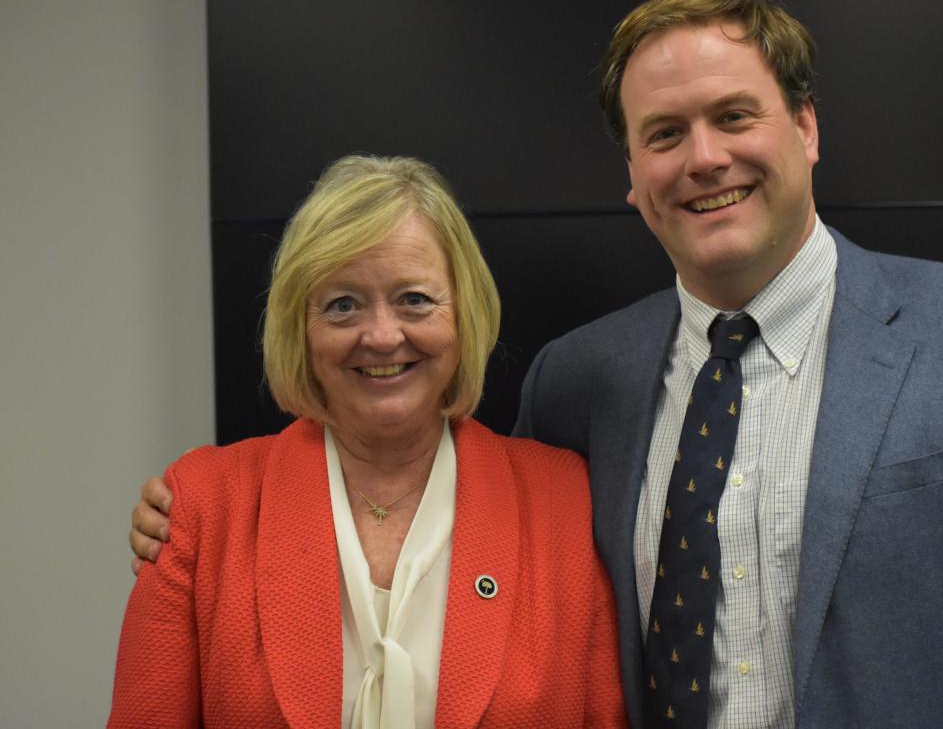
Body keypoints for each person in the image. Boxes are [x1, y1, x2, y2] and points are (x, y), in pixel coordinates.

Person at [130, 0, 943, 727]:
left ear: (805, 127)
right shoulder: (580, 381)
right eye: (664, 133)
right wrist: (192, 522)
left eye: (734, 116)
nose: (703, 157)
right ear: (632, 173)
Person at [110, 155, 627, 728]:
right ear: (299, 330)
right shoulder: (203, 506)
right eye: (342, 305)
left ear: (464, 314)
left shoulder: (565, 501)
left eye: (414, 299)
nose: (382, 335)